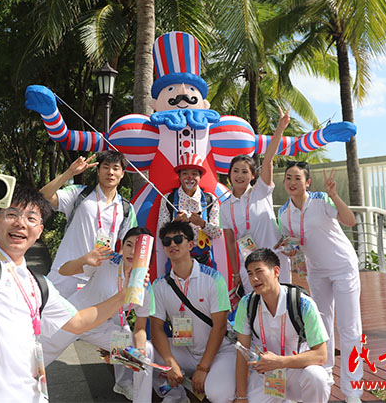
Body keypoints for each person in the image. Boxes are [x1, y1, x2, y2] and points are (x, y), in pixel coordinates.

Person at [25, 31, 357, 280]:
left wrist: (321, 136)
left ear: (205, 104)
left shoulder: (225, 133)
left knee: (223, 264)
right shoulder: (141, 132)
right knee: (154, 266)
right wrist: (51, 114)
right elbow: (75, 137)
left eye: (190, 93)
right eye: (171, 92)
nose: (182, 98)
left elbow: (275, 147)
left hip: (213, 208)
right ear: (155, 103)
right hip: (155, 209)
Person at [0, 161, 132, 402]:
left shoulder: (38, 286)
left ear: (40, 230)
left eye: (31, 218)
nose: (21, 223)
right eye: (11, 214)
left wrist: (126, 294)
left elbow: (78, 321)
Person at [278, 163, 363, 403]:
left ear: (307, 182)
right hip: (316, 272)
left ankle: (353, 391)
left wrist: (334, 194)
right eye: (288, 178)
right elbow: (291, 244)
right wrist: (289, 250)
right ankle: (325, 372)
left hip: (343, 267)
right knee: (322, 327)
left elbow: (350, 221)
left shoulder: (321, 200)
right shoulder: (284, 213)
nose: (292, 182)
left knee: (349, 328)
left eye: (297, 177)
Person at [40, 227, 155, 402]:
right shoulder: (106, 261)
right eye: (128, 245)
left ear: (147, 254)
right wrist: (84, 260)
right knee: (37, 358)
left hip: (101, 327)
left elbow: (140, 328)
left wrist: (137, 353)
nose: (132, 252)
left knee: (146, 351)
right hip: (75, 318)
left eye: (138, 248)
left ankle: (141, 399)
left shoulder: (145, 288)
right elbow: (63, 271)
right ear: (122, 246)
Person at [149, 221, 235, 403]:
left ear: (190, 244)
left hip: (220, 352)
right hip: (185, 350)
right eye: (167, 241)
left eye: (178, 239)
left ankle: (210, 379)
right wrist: (170, 362)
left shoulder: (213, 279)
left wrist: (203, 368)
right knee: (146, 352)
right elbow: (156, 328)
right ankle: (175, 396)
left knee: (217, 394)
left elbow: (219, 327)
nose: (172, 244)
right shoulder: (159, 285)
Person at [234, 248, 331, 402]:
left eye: (259, 271)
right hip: (266, 377)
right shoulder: (246, 304)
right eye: (250, 273)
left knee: (317, 377)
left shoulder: (303, 303)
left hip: (296, 371)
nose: (254, 278)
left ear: (276, 271)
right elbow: (242, 351)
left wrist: (279, 362)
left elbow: (321, 355)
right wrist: (241, 396)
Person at [40, 150, 137, 297]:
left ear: (122, 173)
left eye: (116, 168)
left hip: (98, 280)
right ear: (98, 171)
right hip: (65, 274)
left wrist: (117, 276)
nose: (110, 172)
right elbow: (43, 197)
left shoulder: (126, 208)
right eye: (105, 167)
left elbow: (129, 245)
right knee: (51, 319)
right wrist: (69, 173)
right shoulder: (79, 193)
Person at [221, 106, 291, 294]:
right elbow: (229, 242)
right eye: (235, 171)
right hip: (249, 267)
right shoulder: (225, 206)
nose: (239, 175)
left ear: (253, 176)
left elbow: (267, 160)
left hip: (274, 261)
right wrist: (236, 272)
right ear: (229, 175)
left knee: (282, 304)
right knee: (256, 310)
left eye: (245, 171)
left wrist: (280, 129)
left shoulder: (261, 191)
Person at [156, 152, 222, 273]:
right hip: (176, 261)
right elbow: (161, 233)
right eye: (185, 173)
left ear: (200, 177)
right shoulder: (167, 199)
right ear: (179, 176)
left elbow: (217, 232)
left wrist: (202, 223)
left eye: (194, 174)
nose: (189, 177)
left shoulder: (210, 200)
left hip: (204, 262)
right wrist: (176, 223)